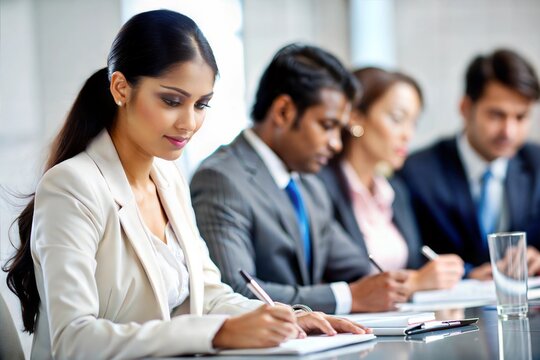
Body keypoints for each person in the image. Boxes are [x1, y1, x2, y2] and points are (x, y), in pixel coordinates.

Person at [2, 10, 368, 360]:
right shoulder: (72, 186)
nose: (189, 123)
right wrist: (216, 333)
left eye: (202, 104)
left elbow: (208, 294)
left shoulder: (167, 179)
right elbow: (73, 339)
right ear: (120, 88)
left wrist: (288, 316)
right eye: (171, 101)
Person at [190, 44, 410, 315]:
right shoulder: (221, 179)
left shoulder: (310, 185)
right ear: (283, 112)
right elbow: (235, 290)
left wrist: (398, 284)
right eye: (327, 126)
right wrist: (348, 297)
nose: (336, 144)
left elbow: (357, 266)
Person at [318, 67, 464, 292]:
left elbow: (411, 264)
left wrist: (462, 274)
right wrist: (414, 283)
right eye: (397, 119)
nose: (408, 134)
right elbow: (344, 276)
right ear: (356, 117)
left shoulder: (394, 190)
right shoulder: (321, 187)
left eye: (413, 123)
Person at [399, 49, 540, 279]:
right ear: (465, 108)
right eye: (496, 115)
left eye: (521, 117)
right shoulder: (418, 172)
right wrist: (468, 274)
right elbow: (411, 256)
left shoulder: (536, 165)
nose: (509, 131)